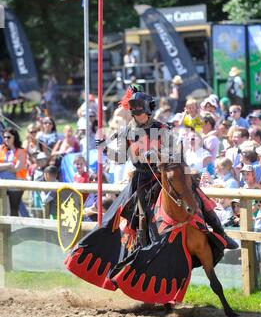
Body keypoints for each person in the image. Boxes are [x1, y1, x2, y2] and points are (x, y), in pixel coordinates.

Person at [65, 89, 238, 303]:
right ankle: (137, 251)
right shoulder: (128, 131)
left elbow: (177, 153)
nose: (137, 117)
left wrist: (157, 156)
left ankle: (220, 233)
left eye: (140, 114)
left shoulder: (162, 129)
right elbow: (119, 158)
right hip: (140, 180)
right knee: (118, 216)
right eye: (134, 114)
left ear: (148, 111)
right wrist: (104, 149)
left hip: (165, 175)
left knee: (197, 194)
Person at [0, 127, 27, 216]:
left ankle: (16, 229)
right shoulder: (1, 148)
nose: (6, 139)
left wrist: (3, 167)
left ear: (14, 137)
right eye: (4, 137)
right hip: (2, 183)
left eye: (8, 137)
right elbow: (13, 166)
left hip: (17, 183)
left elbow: (17, 168)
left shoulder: (21, 151)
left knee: (14, 209)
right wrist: (9, 165)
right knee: (3, 209)